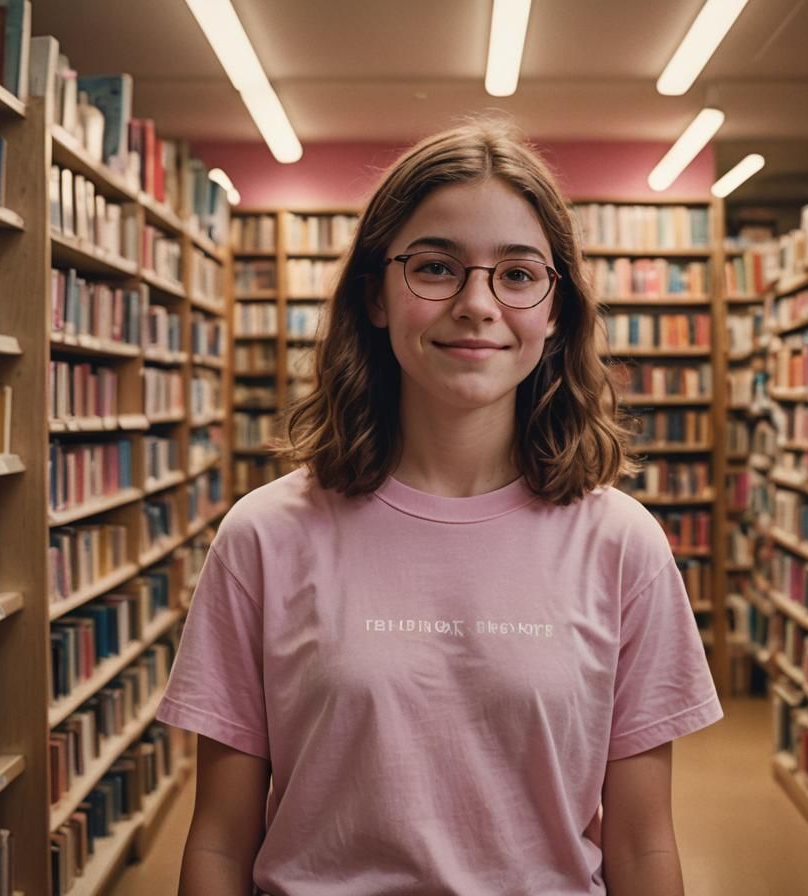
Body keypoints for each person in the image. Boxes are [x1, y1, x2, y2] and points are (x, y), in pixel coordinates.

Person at [157, 120, 722, 896]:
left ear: (556, 310)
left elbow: (644, 845)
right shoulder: (264, 536)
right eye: (435, 268)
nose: (477, 304)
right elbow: (219, 844)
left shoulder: (623, 544)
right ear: (376, 296)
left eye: (518, 274)